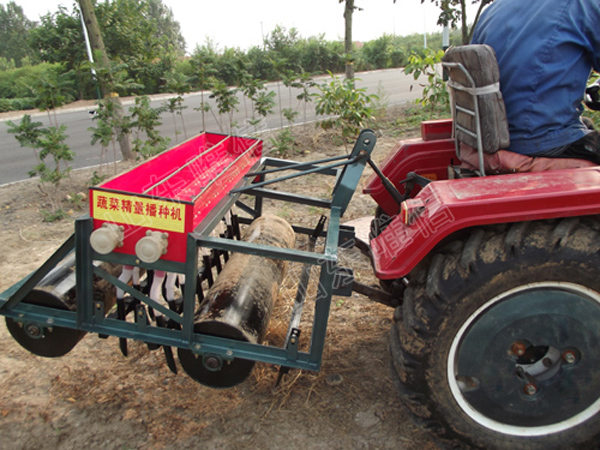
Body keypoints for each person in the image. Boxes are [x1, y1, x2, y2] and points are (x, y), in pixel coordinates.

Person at [471, 0, 600, 164]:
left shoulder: (492, 10)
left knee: (586, 124)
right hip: (542, 140)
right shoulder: (584, 4)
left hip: (494, 136)